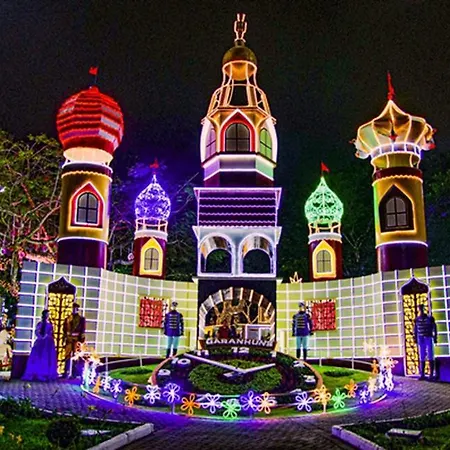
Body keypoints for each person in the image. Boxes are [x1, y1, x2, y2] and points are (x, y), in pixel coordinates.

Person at [22, 309, 58, 381]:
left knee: (48, 357)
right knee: (40, 357)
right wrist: (41, 337)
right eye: (47, 314)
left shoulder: (50, 323)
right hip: (41, 342)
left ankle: (47, 374)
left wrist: (48, 336)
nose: (48, 315)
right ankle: (39, 373)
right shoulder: (40, 324)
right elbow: (37, 332)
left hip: (49, 343)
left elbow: (51, 332)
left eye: (49, 314)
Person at [414, 303, 438, 380]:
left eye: (422, 308)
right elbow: (415, 329)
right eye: (420, 308)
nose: (421, 310)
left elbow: (434, 327)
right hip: (421, 338)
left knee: (431, 355)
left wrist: (435, 337)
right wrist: (415, 338)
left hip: (428, 337)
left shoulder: (430, 318)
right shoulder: (417, 319)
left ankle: (431, 374)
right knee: (422, 355)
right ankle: (422, 374)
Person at [63, 302, 86, 377]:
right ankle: (66, 371)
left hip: (76, 339)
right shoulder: (67, 319)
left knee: (76, 356)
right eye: (73, 308)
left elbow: (82, 330)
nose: (74, 310)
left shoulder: (81, 319)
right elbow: (64, 330)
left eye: (75, 309)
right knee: (67, 356)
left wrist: (82, 340)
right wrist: (64, 338)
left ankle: (75, 373)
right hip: (69, 339)